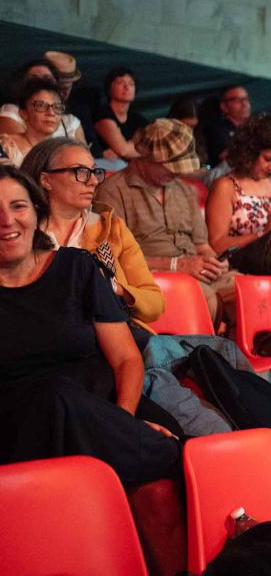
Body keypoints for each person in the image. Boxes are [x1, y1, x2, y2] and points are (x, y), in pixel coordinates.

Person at [0, 166, 180, 486]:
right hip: (20, 428)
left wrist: (116, 425)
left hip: (103, 405)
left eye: (18, 206)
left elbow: (126, 359)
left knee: (167, 473)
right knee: (55, 394)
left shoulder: (76, 267)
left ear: (36, 211)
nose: (7, 220)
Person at [20, 138, 165, 345]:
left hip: (114, 339)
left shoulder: (111, 228)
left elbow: (155, 304)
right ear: (46, 179)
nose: (93, 181)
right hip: (43, 341)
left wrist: (113, 288)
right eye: (80, 171)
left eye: (94, 171)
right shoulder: (19, 233)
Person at [95, 119, 235, 325]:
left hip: (197, 272)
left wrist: (215, 262)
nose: (177, 173)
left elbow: (201, 245)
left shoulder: (185, 190)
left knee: (247, 292)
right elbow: (113, 259)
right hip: (150, 278)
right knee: (202, 298)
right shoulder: (112, 191)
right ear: (147, 157)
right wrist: (176, 265)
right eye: (170, 167)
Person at [205, 114, 271, 255]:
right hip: (241, 261)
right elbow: (217, 244)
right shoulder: (226, 186)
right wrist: (262, 233)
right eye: (268, 159)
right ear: (249, 153)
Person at [0, 78, 71, 167]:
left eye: (57, 107)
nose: (51, 113)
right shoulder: (5, 146)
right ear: (23, 113)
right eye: (41, 105)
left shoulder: (65, 152)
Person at [92, 66, 148, 160]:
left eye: (131, 84)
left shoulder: (138, 119)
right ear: (109, 88)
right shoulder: (102, 114)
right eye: (120, 83)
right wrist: (137, 148)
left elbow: (154, 147)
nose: (126, 87)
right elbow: (123, 151)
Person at [205, 85, 251, 164]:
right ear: (224, 107)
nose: (244, 104)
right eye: (238, 100)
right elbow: (223, 158)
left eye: (246, 99)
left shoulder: (255, 127)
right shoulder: (217, 131)